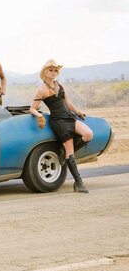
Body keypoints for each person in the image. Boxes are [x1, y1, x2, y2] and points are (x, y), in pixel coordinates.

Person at [29, 60, 93, 193]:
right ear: (44, 72)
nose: (53, 73)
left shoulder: (59, 85)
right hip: (58, 122)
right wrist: (39, 116)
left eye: (55, 71)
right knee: (70, 151)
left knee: (88, 134)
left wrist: (77, 112)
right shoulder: (42, 90)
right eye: (50, 70)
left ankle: (63, 153)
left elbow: (68, 102)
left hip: (69, 118)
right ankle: (79, 183)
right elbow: (32, 108)